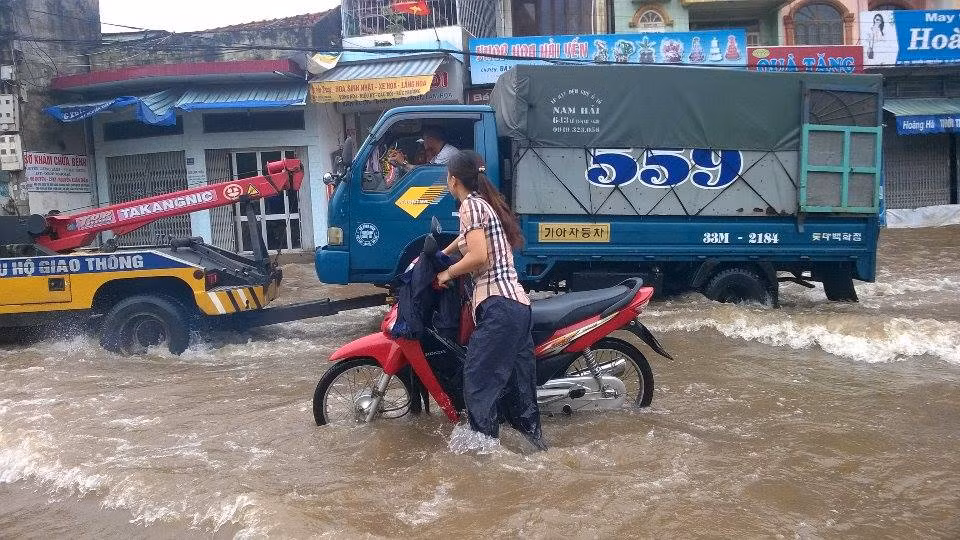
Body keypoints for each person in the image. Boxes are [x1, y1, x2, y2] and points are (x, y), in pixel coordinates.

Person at [436, 150, 546, 451]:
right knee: (520, 390)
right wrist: (440, 255)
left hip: (499, 306)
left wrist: (445, 273)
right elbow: (464, 242)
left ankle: (485, 459)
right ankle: (535, 451)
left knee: (477, 380)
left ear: (453, 179)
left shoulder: (470, 205)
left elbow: (478, 255)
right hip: (518, 307)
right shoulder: (485, 203)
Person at [390, 127, 458, 171]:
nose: (422, 143)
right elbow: (423, 168)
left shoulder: (447, 153)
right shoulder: (438, 154)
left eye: (424, 140)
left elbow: (427, 172)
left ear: (430, 140)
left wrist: (404, 163)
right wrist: (402, 162)